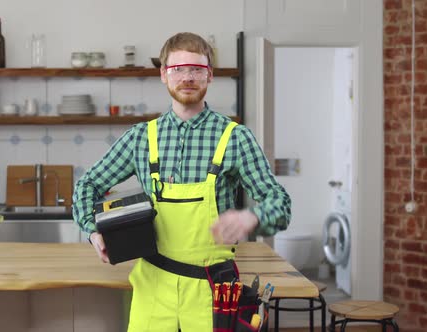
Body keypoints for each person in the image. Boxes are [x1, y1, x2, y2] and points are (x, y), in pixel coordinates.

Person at [72, 32, 291, 332]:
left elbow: (280, 204)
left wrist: (252, 217)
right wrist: (93, 230)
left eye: (196, 69)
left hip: (211, 295)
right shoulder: (141, 138)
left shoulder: (236, 138)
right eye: (178, 69)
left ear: (209, 76)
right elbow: (87, 186)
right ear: (163, 75)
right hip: (152, 291)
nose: (187, 77)